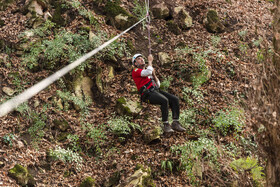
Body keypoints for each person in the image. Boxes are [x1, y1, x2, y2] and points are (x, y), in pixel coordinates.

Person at [131, 53, 186, 133]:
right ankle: (166, 124)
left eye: (142, 58)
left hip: (155, 91)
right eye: (139, 59)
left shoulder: (146, 72)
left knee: (174, 99)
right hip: (147, 95)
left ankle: (175, 122)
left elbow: (158, 85)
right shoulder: (136, 71)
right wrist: (150, 61)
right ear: (135, 63)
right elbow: (148, 72)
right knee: (164, 100)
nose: (142, 59)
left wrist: (154, 74)